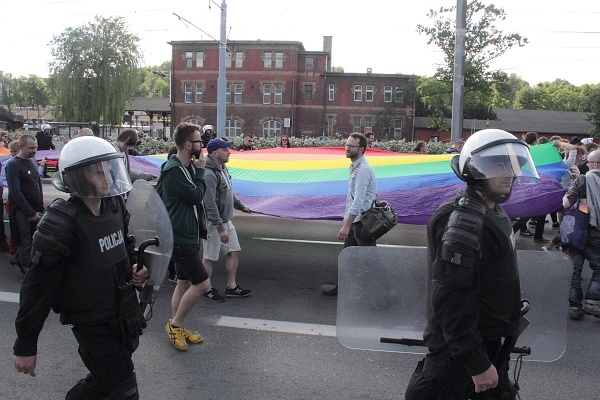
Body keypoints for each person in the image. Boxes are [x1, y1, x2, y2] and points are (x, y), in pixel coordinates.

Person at [405, 129, 540, 400]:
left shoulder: (490, 210)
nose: (510, 173)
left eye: (512, 165)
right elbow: (451, 298)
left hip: (486, 345)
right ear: (473, 169)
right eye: (499, 164)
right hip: (459, 359)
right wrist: (476, 363)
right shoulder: (464, 220)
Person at [13, 136, 148, 399]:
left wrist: (134, 264)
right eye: (98, 171)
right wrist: (25, 344)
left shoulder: (114, 206)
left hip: (122, 312)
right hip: (91, 320)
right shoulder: (60, 222)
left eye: (109, 168)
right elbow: (36, 287)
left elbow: (124, 244)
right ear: (77, 176)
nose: (107, 177)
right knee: (124, 387)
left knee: (102, 382)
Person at [157, 122, 212, 351]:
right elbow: (195, 195)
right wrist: (201, 170)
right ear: (189, 144)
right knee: (202, 284)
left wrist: (195, 169)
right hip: (181, 236)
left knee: (183, 282)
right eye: (199, 141)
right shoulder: (174, 171)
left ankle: (177, 326)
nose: (202, 145)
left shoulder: (185, 167)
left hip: (189, 234)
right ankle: (176, 323)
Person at [323, 132, 377, 296]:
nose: (347, 148)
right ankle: (344, 289)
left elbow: (359, 200)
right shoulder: (355, 167)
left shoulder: (362, 171)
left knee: (371, 261)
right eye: (346, 145)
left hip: (361, 223)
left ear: (361, 149)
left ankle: (387, 292)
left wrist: (346, 226)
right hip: (356, 222)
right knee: (348, 258)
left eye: (351, 146)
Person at [201, 138, 252, 302]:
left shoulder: (222, 168)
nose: (229, 152)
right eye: (225, 150)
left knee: (234, 250)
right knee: (209, 256)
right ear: (215, 153)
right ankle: (205, 288)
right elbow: (209, 203)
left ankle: (231, 286)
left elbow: (228, 192)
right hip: (214, 224)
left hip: (226, 221)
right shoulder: (209, 174)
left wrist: (240, 206)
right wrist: (219, 227)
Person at [562, 149, 600, 320]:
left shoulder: (583, 180)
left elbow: (566, 203)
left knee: (575, 270)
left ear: (595, 164)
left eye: (589, 163)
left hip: (578, 230)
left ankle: (575, 306)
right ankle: (592, 302)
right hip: (597, 234)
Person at [6, 135, 44, 274]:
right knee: (26, 240)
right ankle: (27, 269)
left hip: (35, 207)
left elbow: (37, 183)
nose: (34, 150)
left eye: (36, 147)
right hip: (22, 210)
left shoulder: (33, 161)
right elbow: (15, 192)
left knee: (36, 238)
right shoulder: (13, 165)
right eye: (31, 148)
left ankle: (19, 259)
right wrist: (30, 212)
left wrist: (39, 207)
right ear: (21, 147)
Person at [0, 141, 21, 254]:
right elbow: (2, 180)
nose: (13, 154)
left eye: (15, 151)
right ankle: (13, 248)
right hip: (9, 196)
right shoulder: (7, 164)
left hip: (20, 194)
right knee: (14, 222)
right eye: (11, 151)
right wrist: (13, 184)